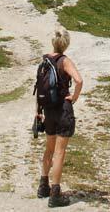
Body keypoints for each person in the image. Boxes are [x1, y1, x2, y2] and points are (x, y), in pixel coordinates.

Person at [36, 26, 83, 207]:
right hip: (62, 109)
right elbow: (79, 80)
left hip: (48, 109)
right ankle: (55, 194)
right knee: (60, 152)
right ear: (66, 43)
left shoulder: (44, 61)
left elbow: (39, 86)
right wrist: (74, 97)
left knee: (49, 148)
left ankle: (43, 186)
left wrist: (38, 111)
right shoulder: (64, 61)